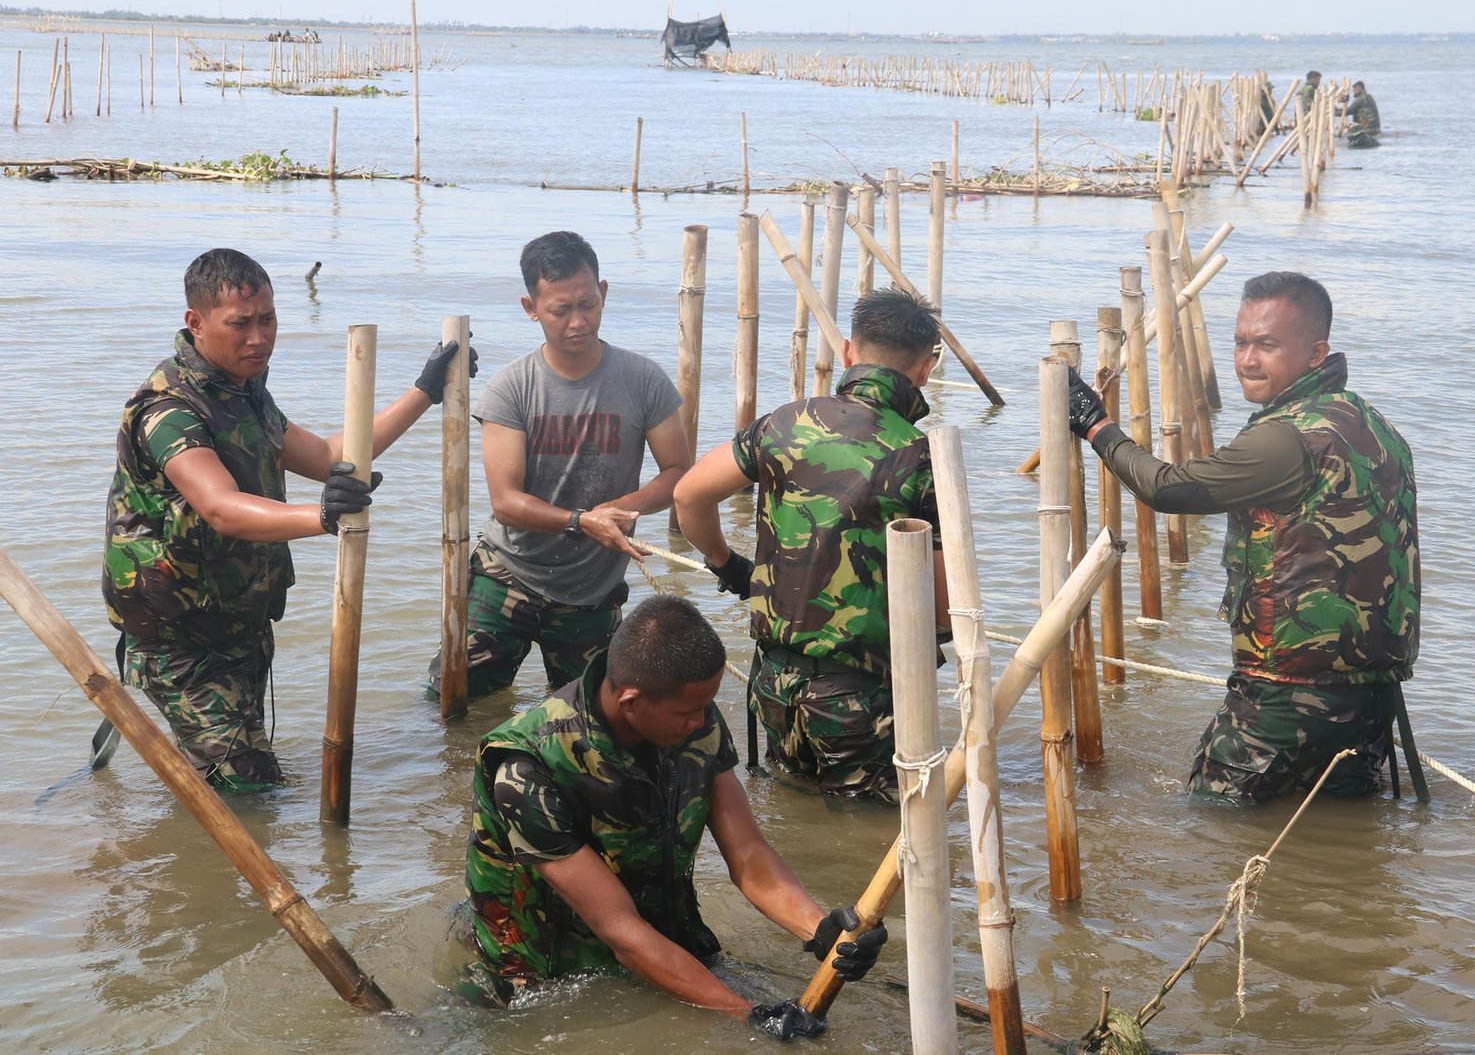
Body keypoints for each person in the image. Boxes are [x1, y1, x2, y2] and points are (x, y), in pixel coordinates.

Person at [103, 248, 477, 791]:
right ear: (195, 323)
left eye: (268, 319)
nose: (259, 338)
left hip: (239, 623)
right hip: (178, 639)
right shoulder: (168, 410)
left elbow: (328, 456)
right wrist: (323, 515)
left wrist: (425, 391)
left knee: (243, 780)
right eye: (240, 324)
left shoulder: (244, 393)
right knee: (247, 787)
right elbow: (220, 506)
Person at [463, 594, 887, 1038]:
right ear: (631, 702)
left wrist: (822, 933)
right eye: (688, 713)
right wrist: (748, 1015)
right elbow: (620, 930)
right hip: (547, 976)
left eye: (705, 706)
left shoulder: (688, 712)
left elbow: (748, 855)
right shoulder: (526, 767)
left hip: (661, 940)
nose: (701, 721)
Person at [1068, 271, 1420, 802]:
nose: (1247, 360)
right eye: (1240, 343)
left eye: (1267, 345)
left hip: (1285, 698)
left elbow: (1169, 488)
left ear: (1316, 353)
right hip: (1373, 699)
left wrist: (1096, 425)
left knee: (1210, 824)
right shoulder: (1373, 423)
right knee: (1337, 832)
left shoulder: (1286, 437)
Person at [672, 288, 948, 804]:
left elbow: (688, 495)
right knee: (868, 838)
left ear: (848, 351)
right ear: (926, 368)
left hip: (773, 684)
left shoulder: (782, 423)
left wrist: (726, 563)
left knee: (790, 817)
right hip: (859, 703)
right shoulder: (921, 455)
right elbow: (943, 608)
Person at [427, 231, 689, 702]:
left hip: (592, 589)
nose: (578, 321)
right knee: (454, 704)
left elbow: (677, 471)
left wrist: (623, 507)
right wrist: (583, 521)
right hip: (506, 575)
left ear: (603, 292)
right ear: (531, 308)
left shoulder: (643, 380)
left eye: (588, 304)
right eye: (560, 310)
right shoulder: (511, 388)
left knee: (594, 714)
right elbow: (506, 503)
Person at [1341, 81, 1382, 148]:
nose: (1354, 92)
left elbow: (1348, 111)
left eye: (1355, 90)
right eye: (1354, 90)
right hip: (1375, 129)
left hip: (1366, 130)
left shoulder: (1361, 99)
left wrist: (1333, 111)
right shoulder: (1369, 96)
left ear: (1360, 88)